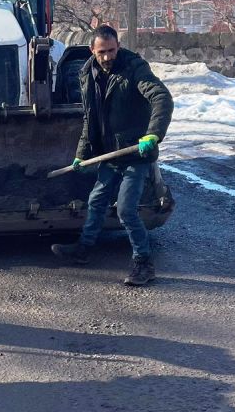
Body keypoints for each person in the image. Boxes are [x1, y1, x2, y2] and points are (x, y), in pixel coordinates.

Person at [51, 24, 173, 286]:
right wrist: (81, 154)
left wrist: (153, 134)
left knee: (127, 210)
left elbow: (161, 98)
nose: (107, 57)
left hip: (135, 153)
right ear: (92, 51)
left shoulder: (134, 68)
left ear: (118, 46)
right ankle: (83, 250)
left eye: (112, 50)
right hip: (109, 154)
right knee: (96, 201)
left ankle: (144, 264)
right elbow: (90, 119)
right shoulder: (87, 74)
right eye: (102, 52)